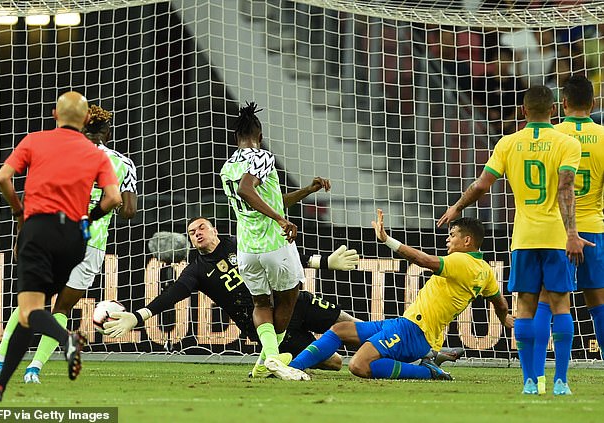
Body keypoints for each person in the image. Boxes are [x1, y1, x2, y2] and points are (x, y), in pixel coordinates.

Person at [438, 85, 591, 395]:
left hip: (523, 237)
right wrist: (573, 233)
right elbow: (565, 189)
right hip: (555, 236)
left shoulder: (508, 143)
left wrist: (457, 206)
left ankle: (530, 382)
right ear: (553, 111)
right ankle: (561, 382)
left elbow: (482, 186)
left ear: (523, 111)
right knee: (561, 304)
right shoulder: (566, 143)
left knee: (524, 306)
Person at [0, 104, 137, 384]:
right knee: (61, 309)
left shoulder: (63, 154)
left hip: (53, 234)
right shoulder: (123, 163)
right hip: (91, 244)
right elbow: (128, 210)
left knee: (30, 302)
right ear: (107, 133)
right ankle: (33, 370)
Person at [103, 217, 357, 373]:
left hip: (289, 301)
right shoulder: (197, 271)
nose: (197, 233)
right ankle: (277, 359)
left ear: (214, 230)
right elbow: (173, 294)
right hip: (262, 322)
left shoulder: (239, 243)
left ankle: (389, 349)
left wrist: (323, 261)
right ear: (191, 242)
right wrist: (137, 317)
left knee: (351, 325)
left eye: (201, 227)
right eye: (192, 233)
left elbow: (283, 256)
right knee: (334, 363)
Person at [287, 209, 512, 381]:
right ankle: (292, 370)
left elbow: (422, 260)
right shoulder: (485, 271)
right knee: (338, 330)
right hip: (406, 324)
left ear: (467, 241)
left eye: (452, 235)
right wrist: (505, 319)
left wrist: (387, 241)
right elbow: (499, 302)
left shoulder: (461, 261)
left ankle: (427, 372)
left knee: (359, 365)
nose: (447, 239)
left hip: (415, 331)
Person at [218, 102, 329, 381]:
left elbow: (270, 201)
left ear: (235, 138)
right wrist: (281, 221)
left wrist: (307, 190)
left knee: (260, 304)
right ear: (261, 136)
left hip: (246, 250)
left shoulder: (226, 166)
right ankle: (273, 356)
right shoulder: (262, 156)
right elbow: (247, 189)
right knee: (290, 297)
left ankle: (267, 360)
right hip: (274, 244)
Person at [532, 75, 604, 395]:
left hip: (557, 231)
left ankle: (538, 377)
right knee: (598, 302)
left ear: (562, 104)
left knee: (549, 301)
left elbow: (553, 185)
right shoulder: (603, 136)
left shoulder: (553, 135)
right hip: (595, 228)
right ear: (592, 103)